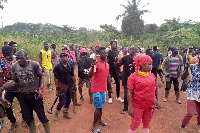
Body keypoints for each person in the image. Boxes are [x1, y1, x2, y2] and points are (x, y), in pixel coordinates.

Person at [11, 50, 50, 133]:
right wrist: (11, 83)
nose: (19, 60)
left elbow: (41, 77)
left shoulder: (34, 65)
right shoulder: (14, 66)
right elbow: (14, 81)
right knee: (28, 116)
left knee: (41, 115)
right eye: (17, 58)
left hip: (34, 94)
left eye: (21, 58)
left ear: (26, 58)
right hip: (22, 95)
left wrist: (40, 89)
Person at [127, 54, 161, 133]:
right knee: (135, 123)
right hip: (138, 106)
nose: (151, 66)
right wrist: (130, 107)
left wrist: (158, 100)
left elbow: (156, 88)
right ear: (141, 65)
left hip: (149, 105)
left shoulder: (152, 76)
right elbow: (129, 93)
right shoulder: (133, 77)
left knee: (147, 123)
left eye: (151, 64)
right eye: (149, 64)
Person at [0, 45, 28, 132]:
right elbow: (1, 77)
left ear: (12, 53)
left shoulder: (18, 59)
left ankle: (25, 119)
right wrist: (1, 88)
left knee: (24, 104)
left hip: (20, 86)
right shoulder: (1, 63)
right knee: (7, 106)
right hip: (8, 88)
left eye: (9, 54)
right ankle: (13, 123)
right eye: (5, 55)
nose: (7, 57)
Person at [89, 47, 111, 133]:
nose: (105, 54)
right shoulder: (96, 63)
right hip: (97, 89)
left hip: (103, 89)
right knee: (98, 108)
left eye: (106, 53)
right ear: (99, 54)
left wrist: (109, 88)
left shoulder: (107, 64)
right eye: (103, 53)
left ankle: (99, 121)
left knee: (101, 107)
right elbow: (90, 75)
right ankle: (94, 125)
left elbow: (107, 76)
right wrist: (93, 66)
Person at [53, 52, 78, 121]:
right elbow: (56, 79)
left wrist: (75, 85)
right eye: (63, 57)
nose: (65, 58)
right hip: (62, 86)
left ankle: (65, 113)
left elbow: (73, 76)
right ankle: (56, 113)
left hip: (70, 85)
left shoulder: (70, 66)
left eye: (66, 57)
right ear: (60, 58)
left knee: (68, 100)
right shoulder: (57, 67)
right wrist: (57, 89)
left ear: (68, 58)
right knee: (62, 101)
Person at [180, 54, 200, 133]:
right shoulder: (192, 67)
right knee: (190, 112)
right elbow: (182, 77)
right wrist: (186, 69)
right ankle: (183, 125)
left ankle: (199, 124)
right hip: (192, 93)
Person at [118, 46, 137, 114]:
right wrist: (116, 62)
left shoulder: (138, 58)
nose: (131, 50)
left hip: (136, 79)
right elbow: (118, 64)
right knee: (126, 94)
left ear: (136, 50)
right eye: (130, 49)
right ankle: (125, 108)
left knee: (135, 93)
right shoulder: (125, 58)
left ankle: (134, 107)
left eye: (133, 49)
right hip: (126, 79)